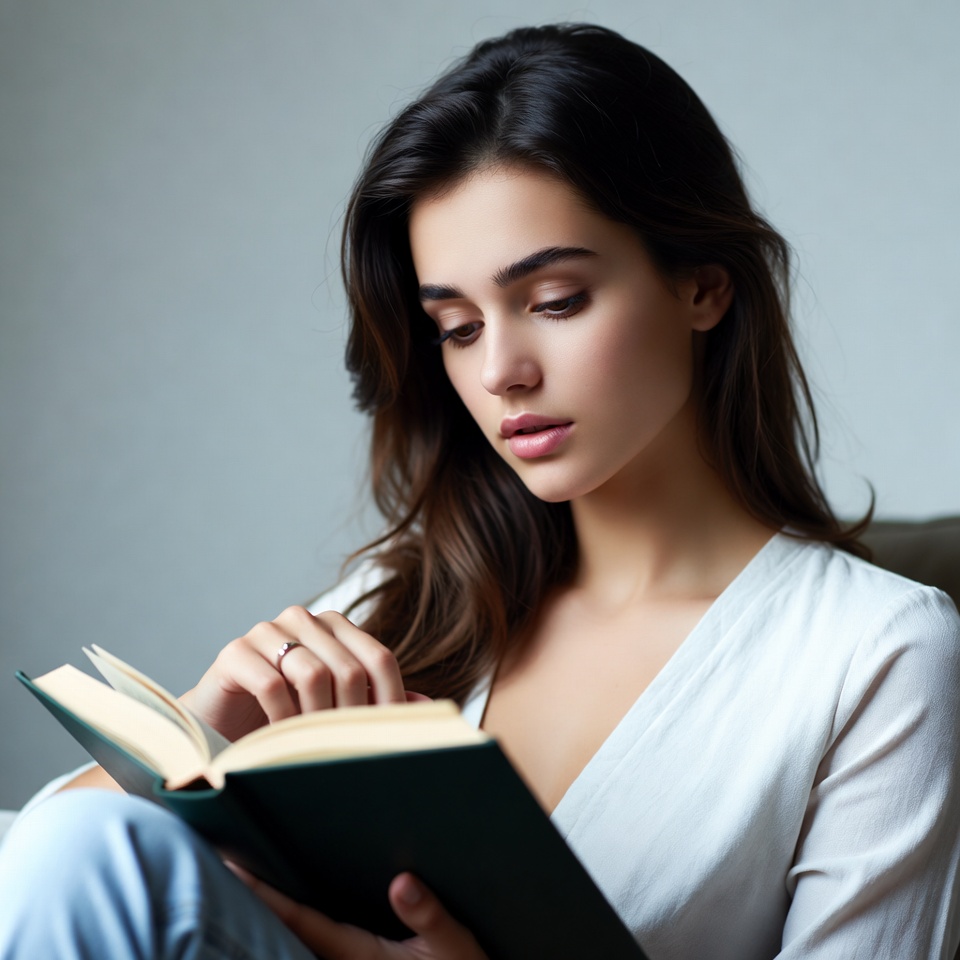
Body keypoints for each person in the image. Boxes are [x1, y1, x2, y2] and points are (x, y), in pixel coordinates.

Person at [2, 22, 959, 960]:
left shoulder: (875, 656)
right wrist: (204, 726)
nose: (501, 370)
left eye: (554, 302)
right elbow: (49, 873)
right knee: (77, 842)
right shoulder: (410, 590)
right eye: (457, 327)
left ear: (703, 287)